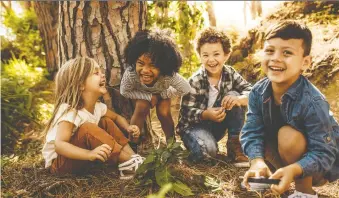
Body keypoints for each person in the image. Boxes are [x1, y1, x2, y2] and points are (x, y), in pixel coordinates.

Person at [240, 21, 339, 198]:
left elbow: (325, 152)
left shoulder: (313, 101)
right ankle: (276, 184)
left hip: (317, 165)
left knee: (288, 135)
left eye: (287, 53)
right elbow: (251, 131)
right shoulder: (257, 92)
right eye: (270, 51)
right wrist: (256, 161)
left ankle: (304, 192)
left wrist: (294, 169)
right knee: (260, 137)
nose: (276, 58)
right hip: (281, 154)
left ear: (305, 62)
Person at [42, 57, 144, 180]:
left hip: (80, 160)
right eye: (96, 73)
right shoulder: (70, 111)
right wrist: (89, 154)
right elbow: (60, 145)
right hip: (60, 165)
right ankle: (128, 162)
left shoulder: (98, 107)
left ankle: (132, 159)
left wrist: (128, 127)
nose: (102, 75)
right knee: (87, 128)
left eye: (101, 72)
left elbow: (117, 117)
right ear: (80, 85)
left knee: (106, 121)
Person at [176, 27, 252, 167]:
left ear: (226, 55)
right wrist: (205, 114)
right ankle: (199, 148)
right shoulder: (195, 81)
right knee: (209, 152)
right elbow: (186, 113)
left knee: (234, 95)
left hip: (217, 126)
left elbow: (251, 91)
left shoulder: (230, 73)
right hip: (194, 128)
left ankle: (234, 145)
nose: (211, 60)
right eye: (205, 55)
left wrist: (239, 99)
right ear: (200, 56)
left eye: (216, 54)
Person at [120, 29, 191, 146]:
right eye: (141, 63)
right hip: (143, 94)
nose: (145, 70)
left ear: (163, 66)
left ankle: (171, 144)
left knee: (163, 112)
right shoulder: (131, 73)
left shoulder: (168, 75)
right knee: (141, 106)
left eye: (153, 65)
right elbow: (124, 91)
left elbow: (185, 88)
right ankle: (133, 144)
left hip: (162, 93)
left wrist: (162, 95)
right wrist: (148, 96)